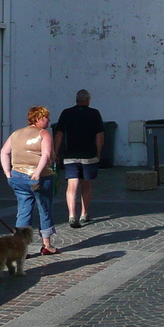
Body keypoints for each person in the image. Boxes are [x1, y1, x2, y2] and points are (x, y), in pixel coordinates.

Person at [2, 106, 58, 255]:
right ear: (39, 119)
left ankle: (20, 247)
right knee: (44, 209)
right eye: (46, 117)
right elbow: (46, 155)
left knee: (23, 211)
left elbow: (4, 152)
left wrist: (8, 173)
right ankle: (47, 245)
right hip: (40, 177)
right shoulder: (43, 134)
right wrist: (37, 173)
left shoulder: (15, 134)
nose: (49, 120)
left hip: (18, 176)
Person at [54, 89, 104, 228]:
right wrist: (98, 153)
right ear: (87, 100)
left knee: (72, 186)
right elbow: (99, 136)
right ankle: (84, 213)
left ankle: (71, 215)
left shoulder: (66, 113)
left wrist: (56, 152)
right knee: (86, 185)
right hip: (88, 155)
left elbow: (59, 134)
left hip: (70, 155)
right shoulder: (94, 113)